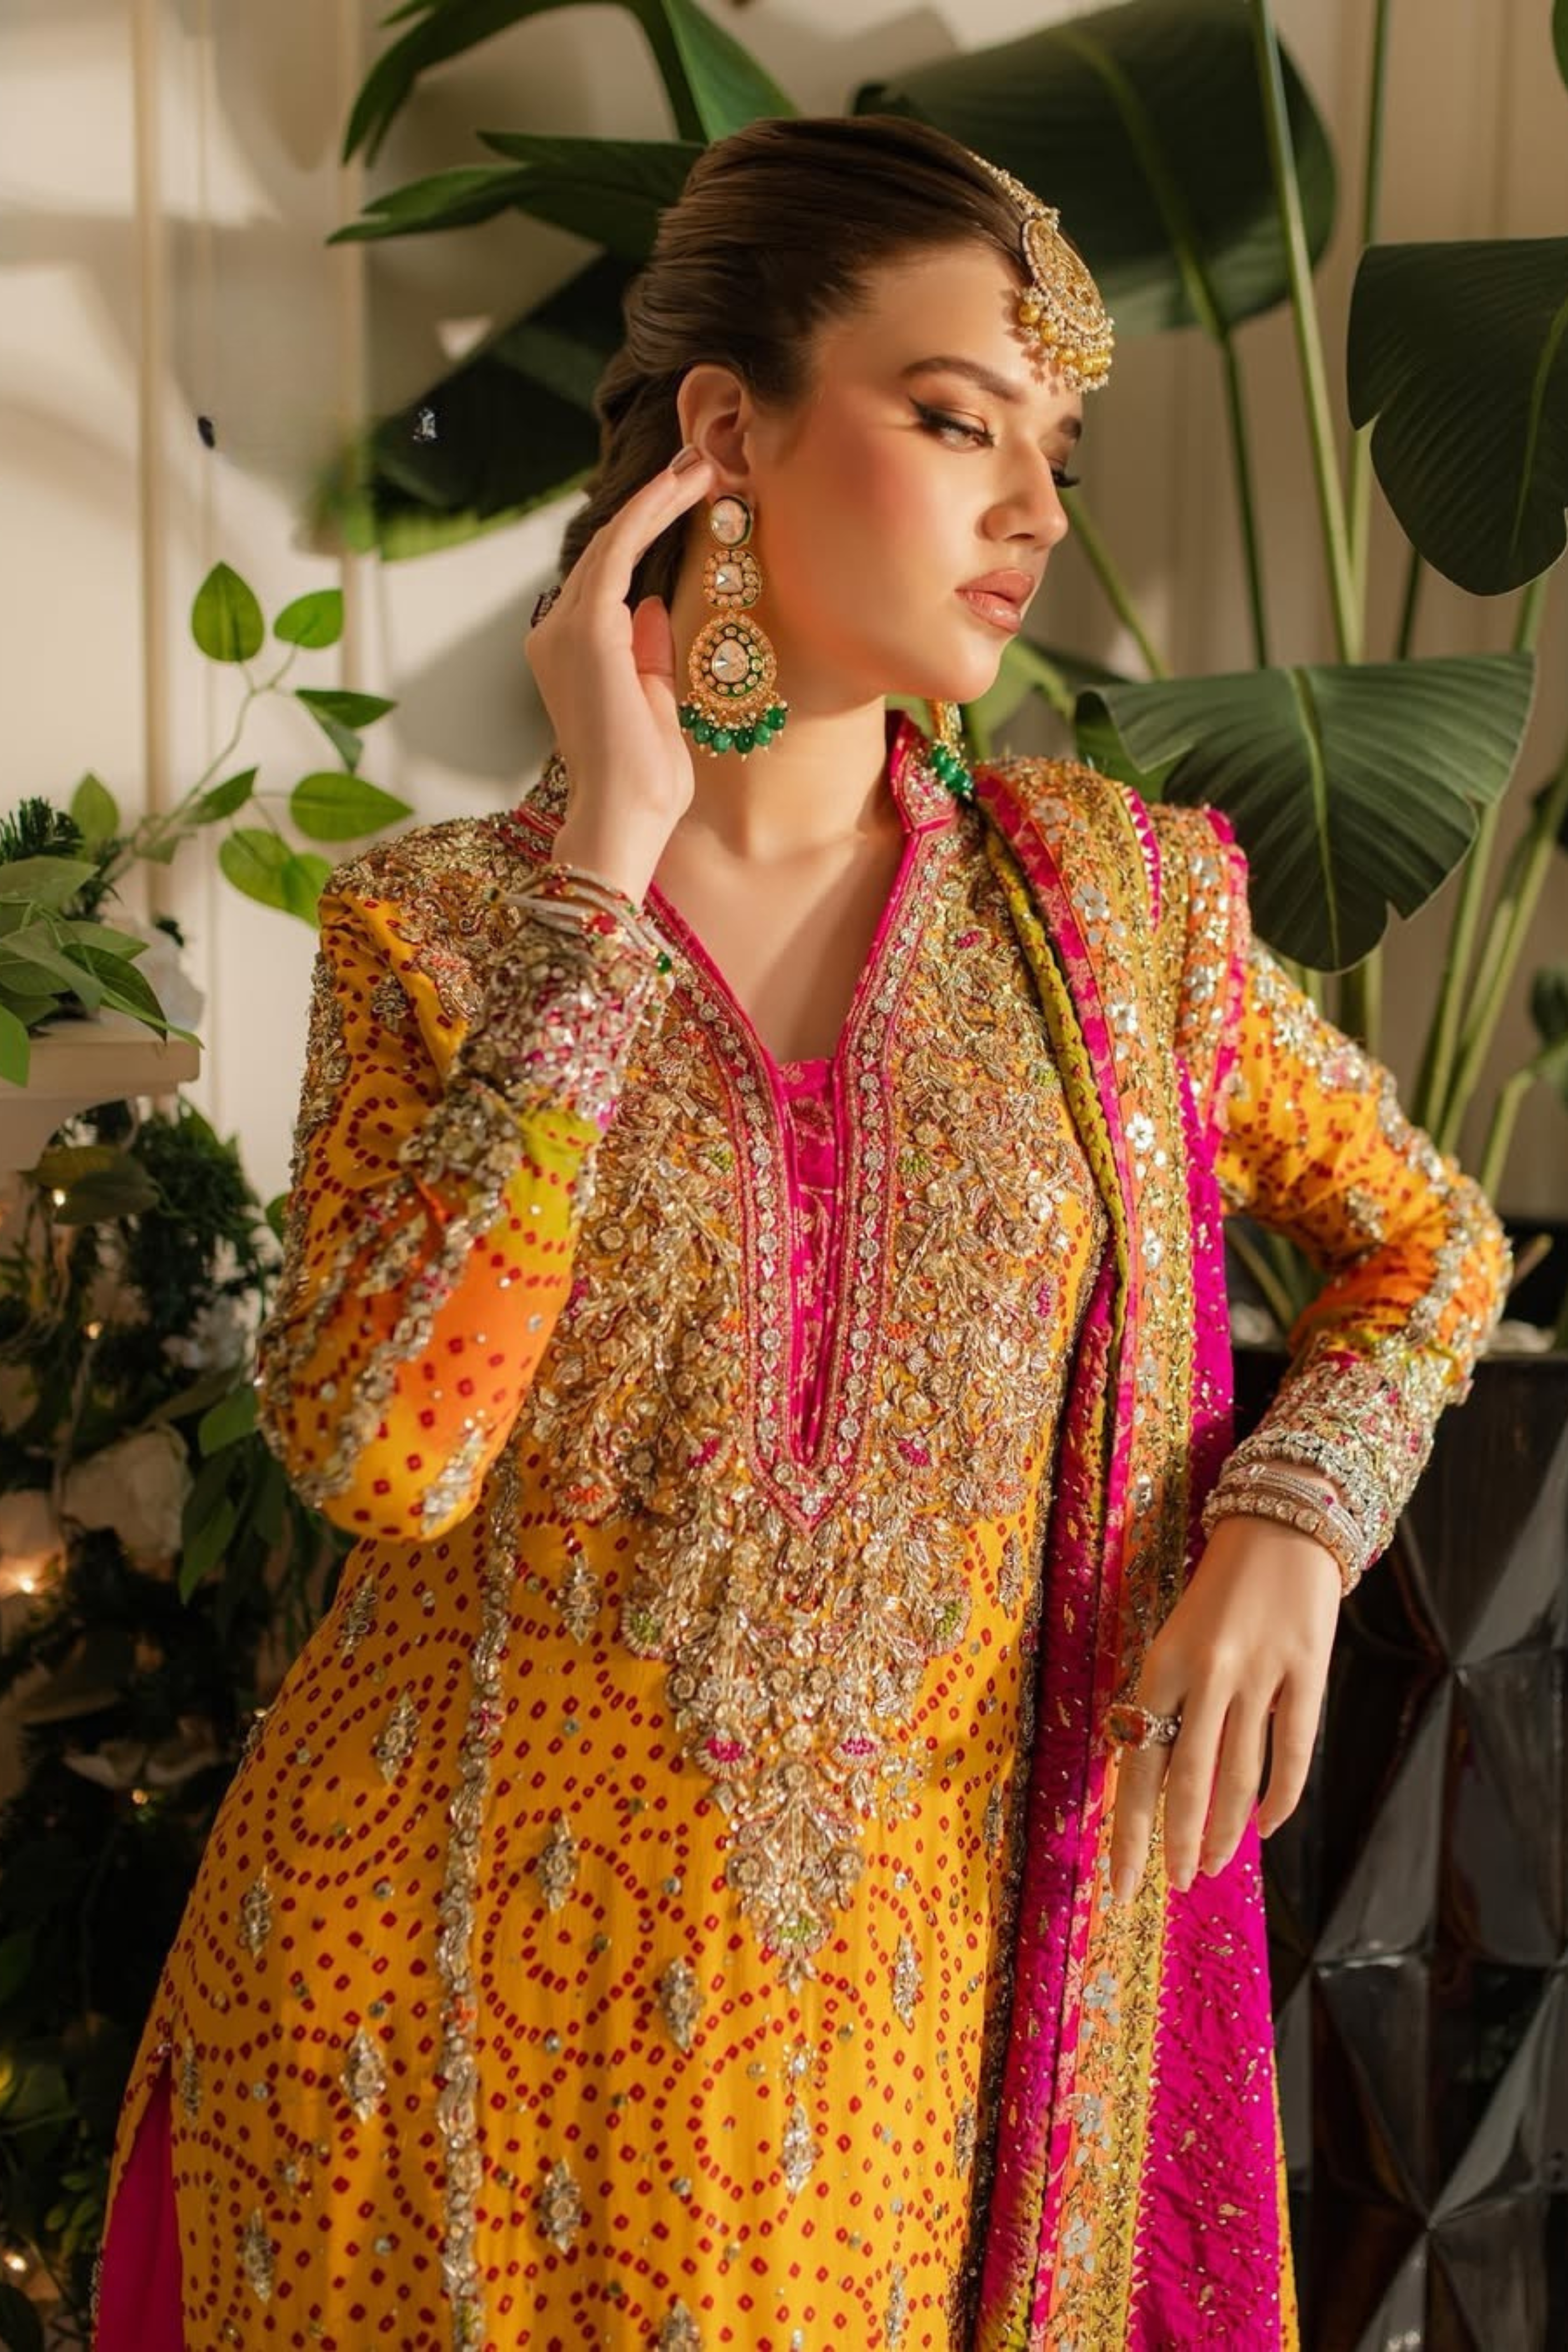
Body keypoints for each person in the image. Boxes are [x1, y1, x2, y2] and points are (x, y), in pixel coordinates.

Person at [95, 114, 1508, 2352]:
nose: (1035, 509)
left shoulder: (1124, 918)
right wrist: (599, 891)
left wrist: (1290, 1527)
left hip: (908, 2072)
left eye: (1049, 445)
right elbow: (383, 1457)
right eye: (958, 422)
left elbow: (1428, 1250)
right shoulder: (450, 929)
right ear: (725, 432)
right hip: (432, 2055)